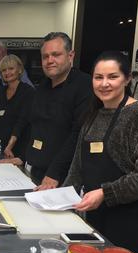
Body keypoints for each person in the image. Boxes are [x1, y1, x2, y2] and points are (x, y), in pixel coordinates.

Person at [64, 51, 138, 253]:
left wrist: (105, 193)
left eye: (113, 77)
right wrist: (62, 200)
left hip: (129, 221)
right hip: (96, 218)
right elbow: (78, 166)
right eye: (98, 77)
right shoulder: (94, 113)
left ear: (127, 79)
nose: (104, 84)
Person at [6, 32, 92, 188]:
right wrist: (24, 156)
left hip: (63, 178)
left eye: (56, 55)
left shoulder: (84, 86)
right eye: (45, 56)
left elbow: (78, 135)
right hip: (35, 171)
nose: (50, 60)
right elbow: (36, 127)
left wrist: (54, 173)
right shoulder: (42, 87)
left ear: (70, 55)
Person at [0, 55, 34, 162]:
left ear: (19, 70)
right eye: (4, 70)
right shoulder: (2, 91)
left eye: (11, 68)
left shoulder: (28, 92)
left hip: (18, 149)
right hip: (3, 146)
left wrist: (9, 146)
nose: (7, 72)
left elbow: (22, 121)